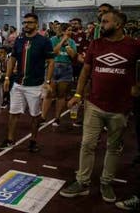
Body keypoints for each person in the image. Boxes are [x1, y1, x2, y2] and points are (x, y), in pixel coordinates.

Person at [60, 10, 140, 203]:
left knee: (113, 147)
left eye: (105, 22)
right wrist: (78, 95)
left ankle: (106, 182)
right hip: (94, 104)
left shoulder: (134, 45)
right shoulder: (96, 44)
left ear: (118, 24)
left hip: (120, 107)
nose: (100, 25)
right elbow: (85, 72)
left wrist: (137, 85)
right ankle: (82, 182)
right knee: (87, 144)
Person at [0, 13, 54, 153]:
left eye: (29, 22)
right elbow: (12, 59)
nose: (26, 25)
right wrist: (7, 78)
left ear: (36, 24)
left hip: (35, 85)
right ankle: (10, 139)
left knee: (35, 115)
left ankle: (33, 141)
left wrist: (47, 81)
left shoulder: (44, 41)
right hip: (18, 84)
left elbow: (51, 61)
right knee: (13, 113)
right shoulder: (19, 40)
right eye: (24, 23)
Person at [41, 23, 77, 126]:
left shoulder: (72, 42)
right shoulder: (53, 40)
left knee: (61, 95)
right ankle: (43, 117)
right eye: (68, 30)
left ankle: (57, 118)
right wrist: (62, 41)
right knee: (49, 94)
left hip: (66, 69)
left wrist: (67, 44)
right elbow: (53, 53)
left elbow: (73, 55)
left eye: (71, 30)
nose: (70, 32)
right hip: (54, 67)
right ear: (63, 31)